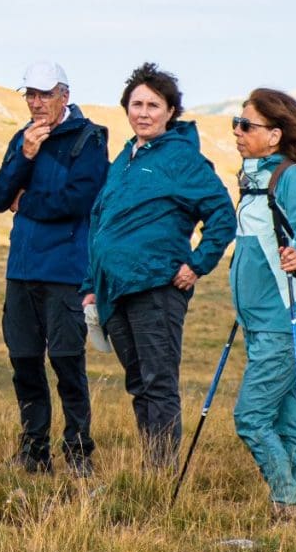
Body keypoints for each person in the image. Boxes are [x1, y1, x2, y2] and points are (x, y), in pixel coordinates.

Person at [81, 63, 233, 470]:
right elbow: (100, 222)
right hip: (115, 289)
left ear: (170, 112)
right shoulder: (125, 157)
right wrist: (90, 285)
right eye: (136, 104)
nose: (143, 113)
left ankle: (160, 473)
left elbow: (221, 215)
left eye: (153, 105)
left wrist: (197, 264)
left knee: (158, 381)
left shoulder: (183, 158)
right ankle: (152, 466)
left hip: (156, 287)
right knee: (138, 382)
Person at [0, 60, 107, 476]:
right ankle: (34, 452)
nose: (36, 104)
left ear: (64, 96)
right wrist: (26, 156)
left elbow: (77, 201)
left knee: (68, 365)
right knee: (24, 363)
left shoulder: (89, 140)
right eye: (30, 96)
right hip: (21, 270)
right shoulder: (23, 139)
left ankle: (78, 453)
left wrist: (27, 203)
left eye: (44, 95)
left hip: (65, 272)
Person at [227, 88, 296, 524]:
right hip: (262, 320)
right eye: (237, 121)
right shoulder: (253, 181)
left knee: (250, 416)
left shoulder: (293, 177)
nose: (237, 130)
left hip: (288, 317)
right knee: (284, 419)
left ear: (275, 135)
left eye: (247, 124)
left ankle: (287, 504)